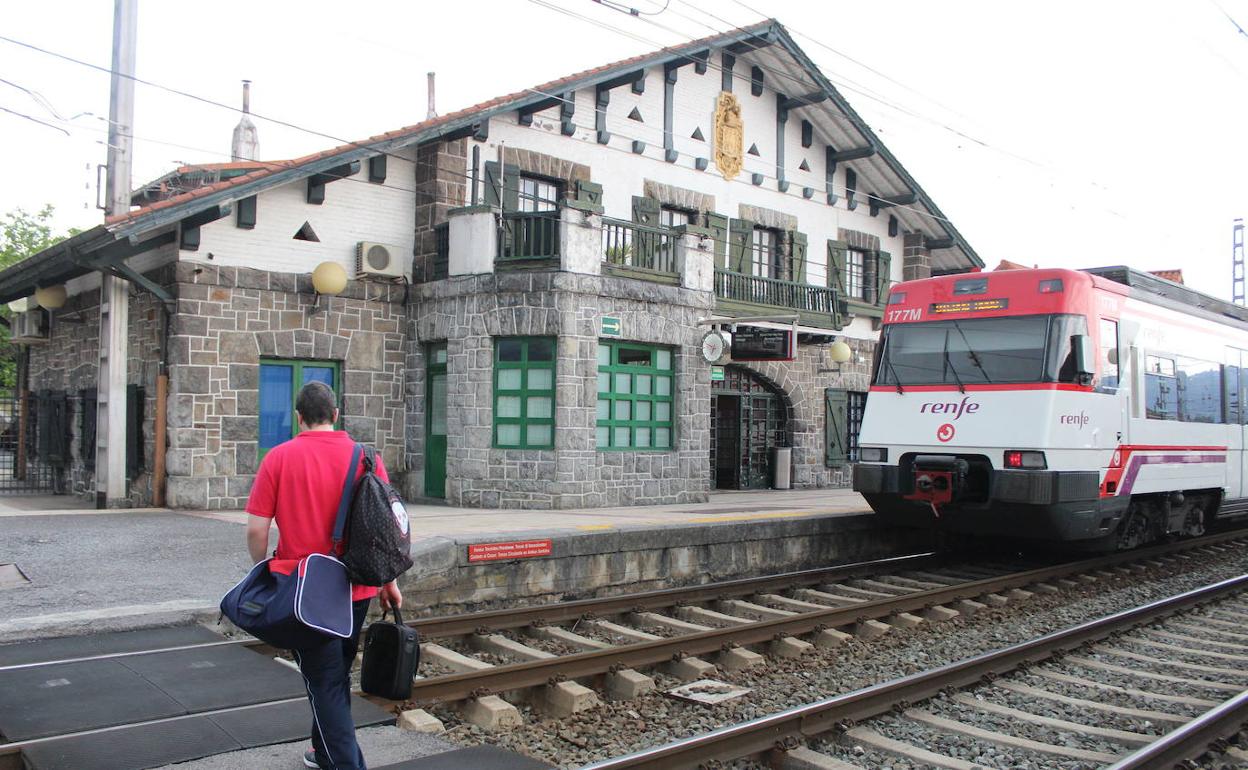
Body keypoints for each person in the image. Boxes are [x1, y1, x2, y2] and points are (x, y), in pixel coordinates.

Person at [245, 381, 402, 770]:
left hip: (305, 592)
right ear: (335, 415)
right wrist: (389, 582)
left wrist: (260, 569)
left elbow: (256, 530)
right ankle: (321, 750)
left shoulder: (278, 458)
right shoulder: (367, 457)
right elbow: (385, 530)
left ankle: (347, 763)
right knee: (334, 674)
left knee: (325, 682)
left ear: (298, 418)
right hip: (358, 587)